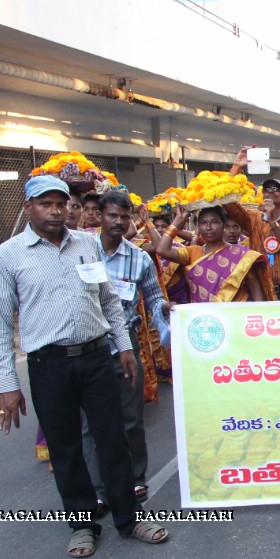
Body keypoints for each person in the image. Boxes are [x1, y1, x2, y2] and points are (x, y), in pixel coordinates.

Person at [0, 175, 168, 558]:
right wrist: (7, 383)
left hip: (97, 358)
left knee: (113, 438)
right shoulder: (6, 257)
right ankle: (83, 525)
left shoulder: (87, 244)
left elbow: (108, 303)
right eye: (45, 204)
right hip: (48, 365)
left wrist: (124, 350)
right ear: (28, 208)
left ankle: (128, 518)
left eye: (61, 203)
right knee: (65, 448)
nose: (55, 211)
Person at [81, 190, 171, 512]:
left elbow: (155, 298)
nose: (119, 222)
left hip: (125, 346)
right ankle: (98, 489)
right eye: (112, 216)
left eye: (125, 216)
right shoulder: (79, 252)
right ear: (99, 216)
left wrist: (170, 314)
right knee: (91, 423)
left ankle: (136, 478)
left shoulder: (140, 258)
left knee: (130, 417)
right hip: (87, 347)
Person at [227, 148, 280, 299]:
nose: (271, 191)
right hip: (258, 290)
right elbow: (228, 204)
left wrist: (272, 222)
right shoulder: (253, 218)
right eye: (267, 189)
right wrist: (236, 168)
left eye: (276, 189)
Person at [152, 205, 275, 302]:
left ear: (223, 226)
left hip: (235, 320)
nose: (208, 227)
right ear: (199, 226)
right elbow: (162, 250)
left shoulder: (241, 255)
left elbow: (255, 291)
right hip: (205, 321)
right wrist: (176, 223)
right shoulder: (193, 252)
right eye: (203, 223)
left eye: (214, 222)